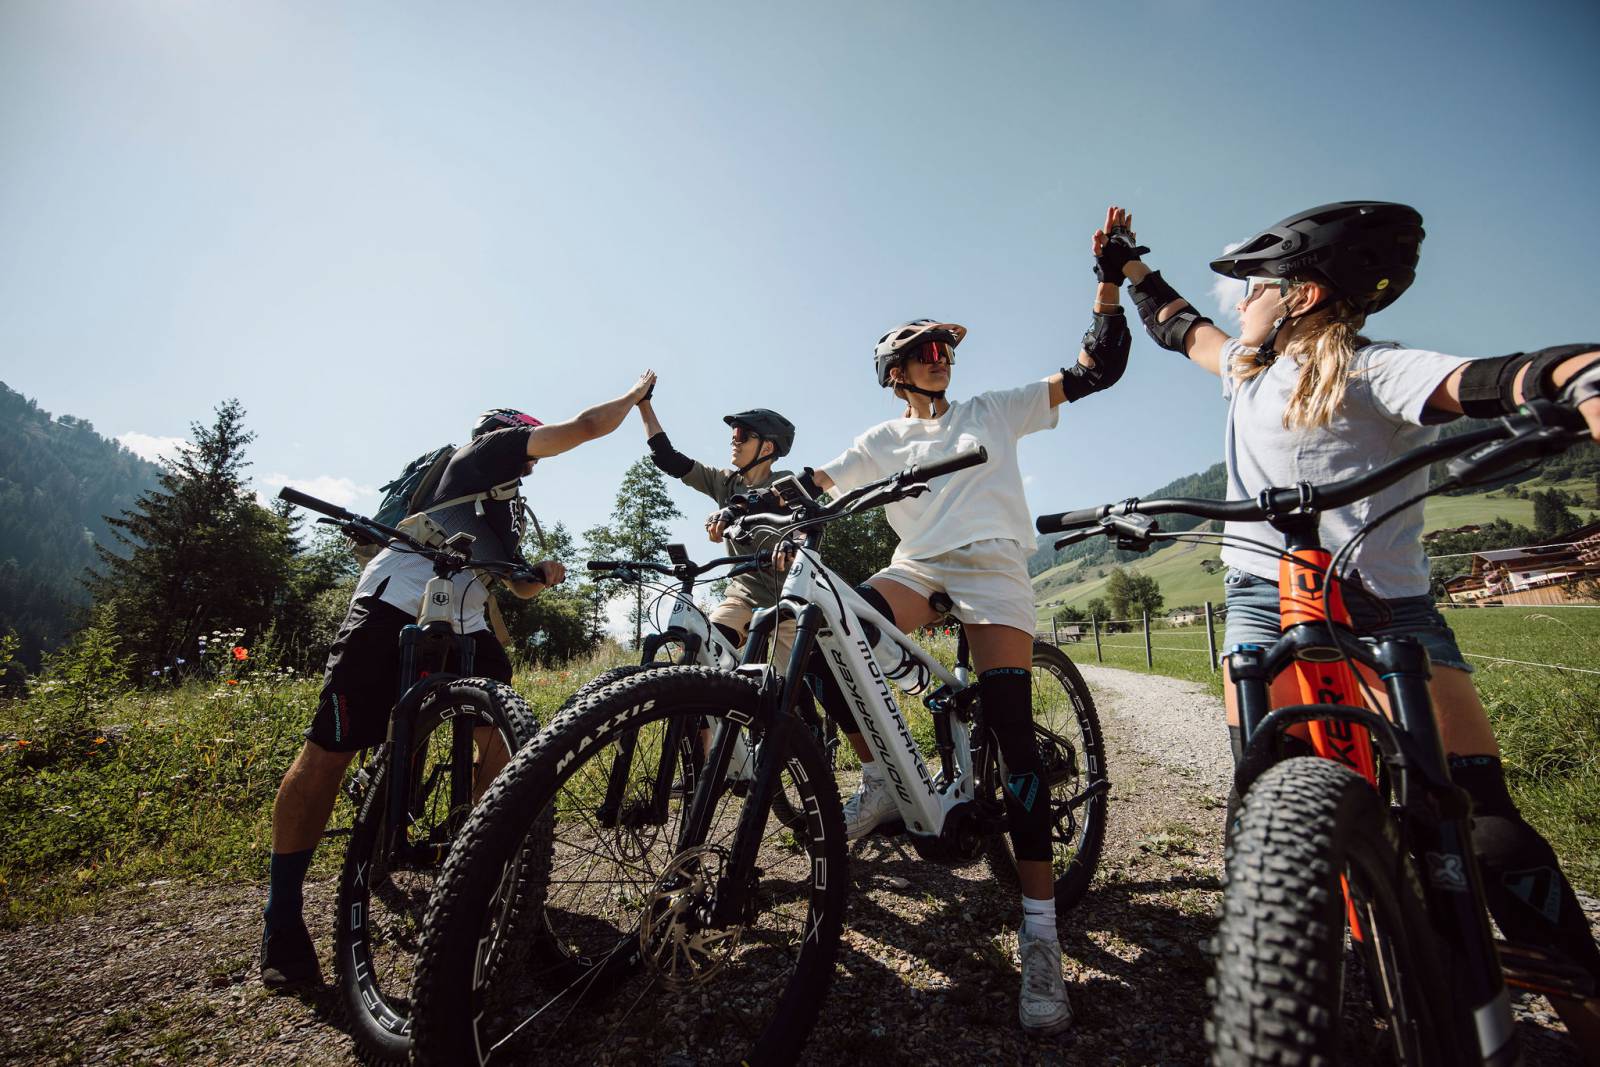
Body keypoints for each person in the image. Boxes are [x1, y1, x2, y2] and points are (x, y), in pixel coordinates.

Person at [1102, 199, 1600, 1036]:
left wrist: (1579, 377)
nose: (1240, 301)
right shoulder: (1247, 370)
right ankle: (1306, 973)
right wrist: (1128, 268)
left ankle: (1584, 1013)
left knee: (1484, 825)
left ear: (1298, 296)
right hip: (1266, 597)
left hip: (1384, 603)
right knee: (1265, 795)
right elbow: (1175, 324)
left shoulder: (1376, 369)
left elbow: (1489, 379)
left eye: (1255, 286)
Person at [795, 210, 1135, 1035]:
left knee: (1014, 739)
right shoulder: (882, 437)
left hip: (990, 564)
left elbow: (1094, 371)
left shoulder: (992, 407)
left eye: (947, 347)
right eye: (926, 350)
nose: (942, 358)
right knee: (823, 639)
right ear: (894, 371)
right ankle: (883, 774)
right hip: (918, 568)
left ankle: (1043, 937)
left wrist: (1110, 281)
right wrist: (761, 501)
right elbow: (817, 480)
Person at [260, 370, 658, 988]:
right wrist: (634, 399)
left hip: (469, 614)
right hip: (399, 599)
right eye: (530, 448)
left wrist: (541, 576)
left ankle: (488, 884)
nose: (532, 463)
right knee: (328, 752)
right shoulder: (482, 452)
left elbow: (517, 584)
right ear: (510, 436)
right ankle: (281, 919)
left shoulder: (500, 509)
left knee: (506, 749)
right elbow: (583, 428)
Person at [640, 402, 800, 662]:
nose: (733, 442)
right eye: (732, 436)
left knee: (789, 690)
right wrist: (643, 404)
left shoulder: (783, 482)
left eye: (741, 436)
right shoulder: (726, 482)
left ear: (767, 447)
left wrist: (792, 543)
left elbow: (800, 525)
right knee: (700, 650)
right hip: (744, 596)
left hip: (788, 601)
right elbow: (668, 459)